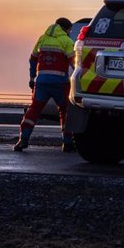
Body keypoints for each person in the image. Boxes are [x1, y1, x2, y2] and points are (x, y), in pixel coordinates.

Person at [14, 17, 75, 152]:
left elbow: (32, 59)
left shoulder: (42, 38)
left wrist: (32, 77)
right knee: (65, 111)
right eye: (70, 30)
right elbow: (74, 63)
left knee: (34, 110)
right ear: (66, 29)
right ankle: (67, 143)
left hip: (41, 83)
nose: (70, 32)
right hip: (60, 83)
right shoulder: (67, 41)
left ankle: (23, 140)